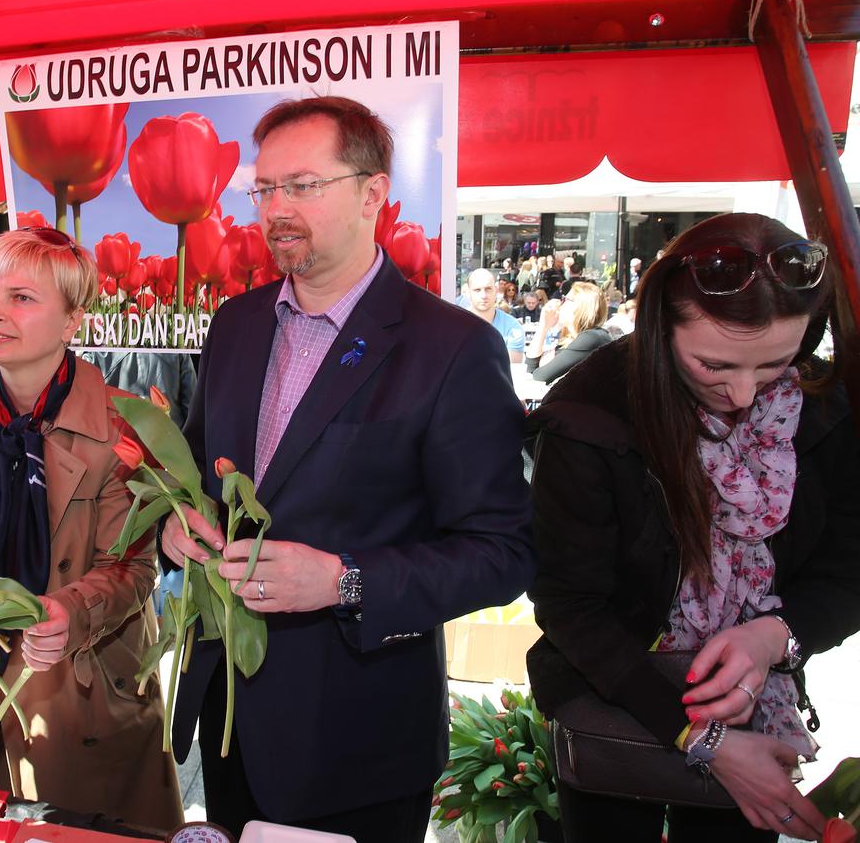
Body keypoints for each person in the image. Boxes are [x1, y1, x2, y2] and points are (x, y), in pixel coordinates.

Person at [160, 96, 534, 843]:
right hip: (228, 719)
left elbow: (503, 553)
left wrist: (342, 579)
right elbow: (207, 473)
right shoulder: (235, 324)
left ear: (372, 193)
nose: (276, 209)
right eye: (265, 189)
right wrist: (181, 522)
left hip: (356, 744)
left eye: (302, 185)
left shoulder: (450, 348)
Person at [526, 213, 856, 843]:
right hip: (617, 704)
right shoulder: (592, 416)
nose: (741, 394)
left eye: (772, 366)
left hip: (760, 705)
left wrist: (776, 636)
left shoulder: (823, 412)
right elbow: (571, 605)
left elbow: (848, 565)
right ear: (660, 329)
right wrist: (703, 738)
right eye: (714, 365)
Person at [0, 228, 183, 834]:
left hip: (85, 687)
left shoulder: (124, 423)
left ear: (73, 321)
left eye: (22, 297)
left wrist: (71, 609)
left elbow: (136, 567)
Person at [527, 281, 611, 384]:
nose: (560, 303)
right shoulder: (572, 338)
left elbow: (540, 376)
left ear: (580, 307)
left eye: (565, 299)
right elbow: (530, 368)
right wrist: (543, 327)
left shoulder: (592, 338)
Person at [465, 268, 525, 363]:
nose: (483, 295)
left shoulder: (513, 327)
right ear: (468, 293)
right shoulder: (455, 325)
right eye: (477, 290)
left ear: (496, 291)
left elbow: (512, 369)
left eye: (488, 289)